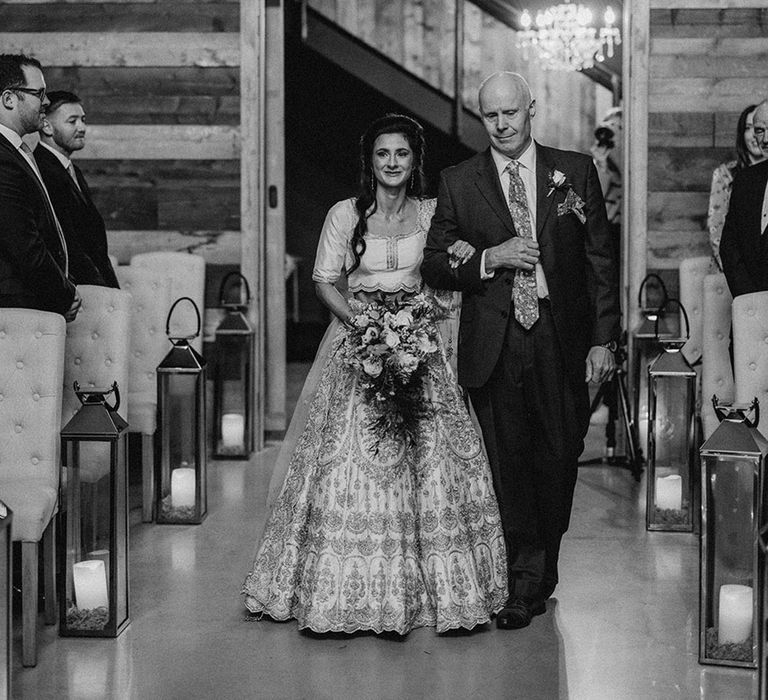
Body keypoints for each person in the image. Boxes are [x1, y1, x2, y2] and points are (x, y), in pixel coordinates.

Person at [242, 114, 508, 635]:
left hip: (418, 341)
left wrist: (417, 322)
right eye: (382, 154)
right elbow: (324, 281)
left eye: (401, 154)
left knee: (433, 460)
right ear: (371, 161)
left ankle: (439, 588)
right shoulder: (346, 214)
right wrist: (365, 325)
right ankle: (343, 589)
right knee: (353, 457)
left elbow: (448, 265)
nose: (391, 163)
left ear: (415, 162)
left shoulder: (433, 212)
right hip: (359, 337)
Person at [421, 72, 621, 630]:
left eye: (511, 113)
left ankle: (540, 567)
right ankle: (521, 583)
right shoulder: (460, 181)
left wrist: (605, 340)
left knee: (559, 457)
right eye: (491, 116)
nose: (503, 124)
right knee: (508, 463)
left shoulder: (574, 172)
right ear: (480, 117)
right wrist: (492, 256)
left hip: (563, 337)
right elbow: (435, 262)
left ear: (530, 109)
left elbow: (601, 262)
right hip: (497, 341)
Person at [0, 54, 80, 319]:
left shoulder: (17, 151)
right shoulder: (3, 158)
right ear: (9, 99)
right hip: (16, 311)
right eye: (39, 93)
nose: (46, 101)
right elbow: (23, 242)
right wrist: (64, 294)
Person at [35, 91, 119, 288]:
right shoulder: (43, 170)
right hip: (76, 291)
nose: (82, 127)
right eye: (72, 121)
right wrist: (101, 290)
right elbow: (68, 245)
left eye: (83, 120)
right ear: (46, 126)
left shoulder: (73, 171)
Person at [708, 103, 766, 270]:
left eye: (760, 128)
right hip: (731, 271)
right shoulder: (726, 174)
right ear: (742, 134)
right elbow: (716, 231)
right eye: (749, 128)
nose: (755, 135)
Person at [720, 99, 768, 297]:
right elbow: (729, 246)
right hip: (750, 309)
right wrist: (750, 300)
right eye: (759, 130)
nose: (765, 139)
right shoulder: (746, 180)